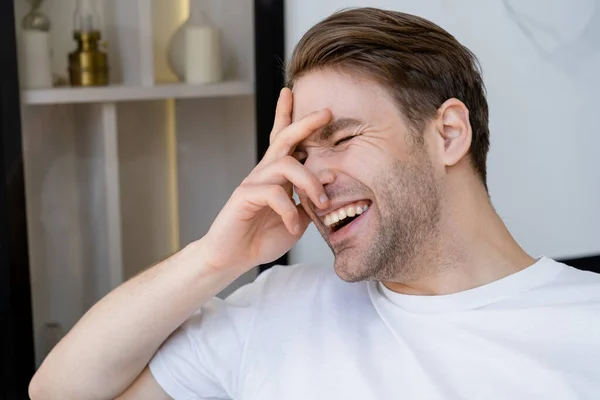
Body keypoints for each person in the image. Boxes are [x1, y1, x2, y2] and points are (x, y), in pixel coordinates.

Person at [29, 7, 600, 400]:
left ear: (448, 134)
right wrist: (217, 258)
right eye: (299, 154)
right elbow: (57, 390)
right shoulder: (276, 309)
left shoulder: (585, 326)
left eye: (343, 139)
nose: (311, 177)